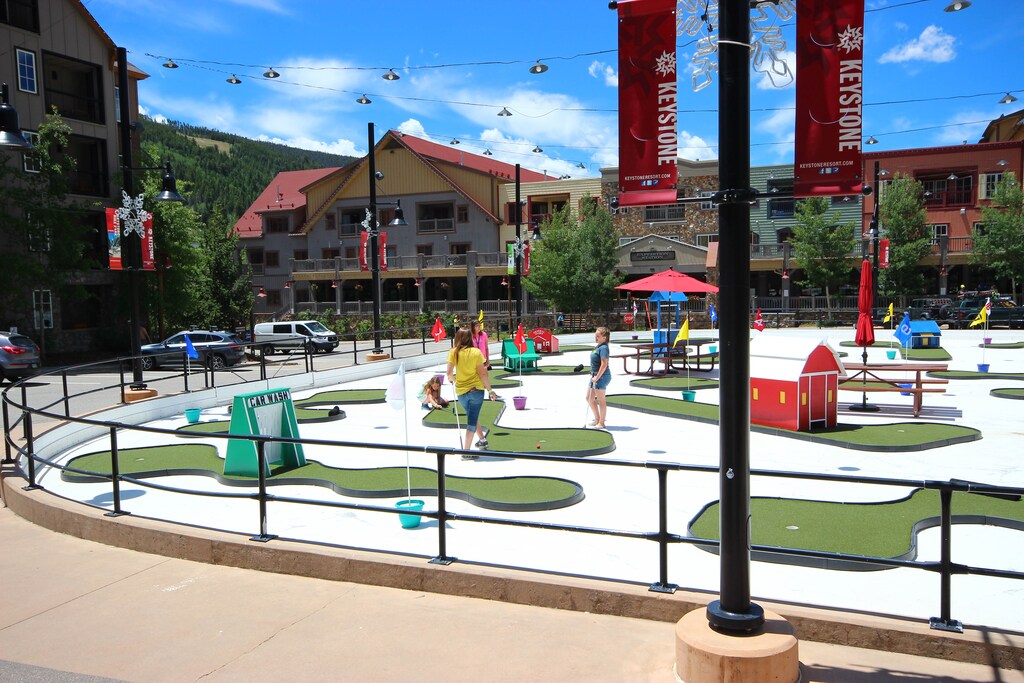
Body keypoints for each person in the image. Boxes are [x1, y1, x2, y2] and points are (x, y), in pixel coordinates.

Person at [446, 327, 499, 457]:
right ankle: (466, 452)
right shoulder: (476, 353)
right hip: (476, 391)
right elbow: (483, 374)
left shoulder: (453, 352)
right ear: (470, 338)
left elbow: (448, 373)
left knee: (472, 416)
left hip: (461, 391)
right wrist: (490, 390)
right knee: (471, 419)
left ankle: (482, 440)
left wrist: (454, 380)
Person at [587, 326, 611, 429]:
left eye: (598, 335)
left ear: (604, 337)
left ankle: (601, 422)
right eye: (595, 335)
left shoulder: (604, 348)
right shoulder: (598, 346)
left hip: (601, 376)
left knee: (601, 400)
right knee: (589, 398)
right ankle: (597, 419)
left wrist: (597, 377)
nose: (596, 337)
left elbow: (604, 364)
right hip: (594, 375)